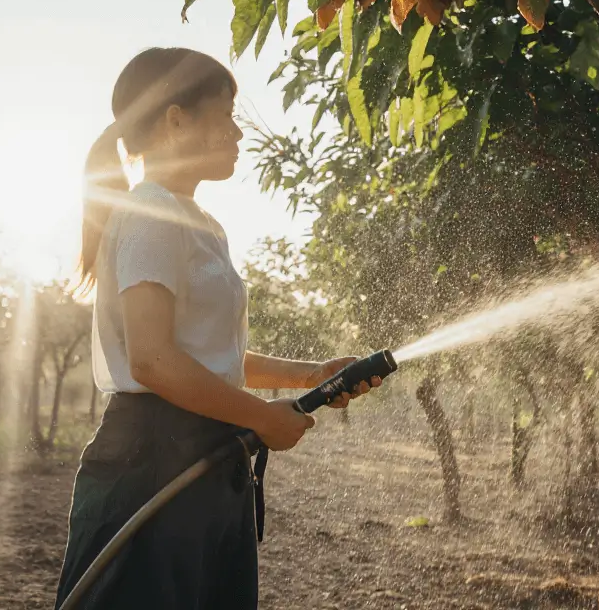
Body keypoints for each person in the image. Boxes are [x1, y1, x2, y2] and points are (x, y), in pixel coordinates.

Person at [55, 47, 379, 609]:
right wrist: (261, 417)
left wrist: (312, 374)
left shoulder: (199, 222)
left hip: (201, 448)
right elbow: (153, 360)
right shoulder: (150, 212)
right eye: (226, 114)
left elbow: (211, 354)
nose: (238, 132)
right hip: (154, 458)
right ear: (176, 119)